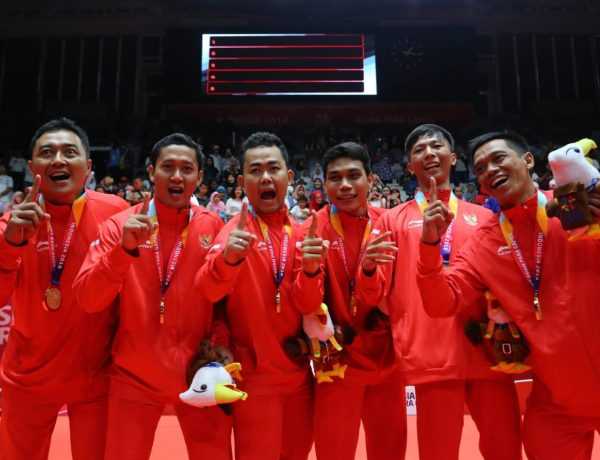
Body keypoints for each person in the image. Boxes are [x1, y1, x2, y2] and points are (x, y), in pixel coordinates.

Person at [417, 130, 600, 459]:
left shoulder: (575, 204)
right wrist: (430, 247)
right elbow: (440, 302)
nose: (490, 170)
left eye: (498, 159)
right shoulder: (483, 242)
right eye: (480, 169)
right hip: (558, 404)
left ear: (528, 160)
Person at [360, 125, 522, 460]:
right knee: (438, 453)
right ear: (409, 166)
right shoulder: (391, 220)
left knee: (505, 449)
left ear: (453, 157)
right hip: (431, 355)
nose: (429, 154)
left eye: (436, 146)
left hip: (486, 352)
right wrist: (369, 269)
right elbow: (375, 295)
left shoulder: (485, 217)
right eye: (419, 150)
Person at [73, 133, 231, 460]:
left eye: (186, 169)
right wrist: (123, 251)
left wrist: (217, 351)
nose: (177, 176)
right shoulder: (120, 227)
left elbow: (226, 304)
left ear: (200, 177)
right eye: (167, 167)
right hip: (133, 379)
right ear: (150, 171)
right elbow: (88, 298)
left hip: (199, 375)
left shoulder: (213, 226)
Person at [0, 118, 129, 460]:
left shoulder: (116, 213)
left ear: (88, 166)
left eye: (69, 152)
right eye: (47, 152)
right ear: (32, 168)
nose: (58, 159)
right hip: (28, 377)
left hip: (96, 376)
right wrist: (10, 246)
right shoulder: (13, 224)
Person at [195, 132, 327, 460]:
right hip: (254, 381)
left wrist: (312, 271)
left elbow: (309, 305)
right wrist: (228, 260)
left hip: (299, 380)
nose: (265, 177)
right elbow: (208, 290)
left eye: (273, 168)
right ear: (242, 181)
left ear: (289, 177)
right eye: (255, 170)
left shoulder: (301, 234)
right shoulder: (233, 233)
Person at [310, 142, 406, 460]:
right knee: (334, 452)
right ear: (324, 183)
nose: (345, 185)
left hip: (388, 361)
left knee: (389, 450)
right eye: (335, 178)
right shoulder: (312, 229)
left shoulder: (390, 224)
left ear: (371, 180)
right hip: (337, 363)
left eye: (353, 175)